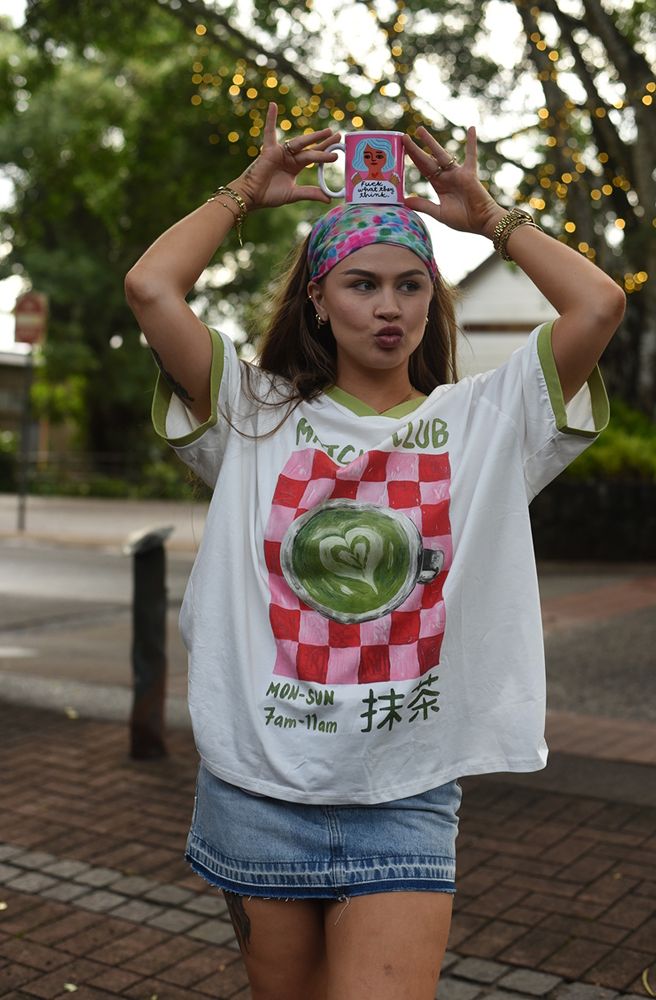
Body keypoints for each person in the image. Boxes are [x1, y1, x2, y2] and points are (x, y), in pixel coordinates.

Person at [124, 102, 625, 1000]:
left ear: (434, 297)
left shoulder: (487, 420)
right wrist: (246, 192)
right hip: (257, 788)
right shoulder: (253, 412)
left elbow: (600, 302)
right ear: (317, 298)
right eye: (362, 284)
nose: (390, 306)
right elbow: (151, 288)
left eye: (411, 285)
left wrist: (491, 220)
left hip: (406, 794)